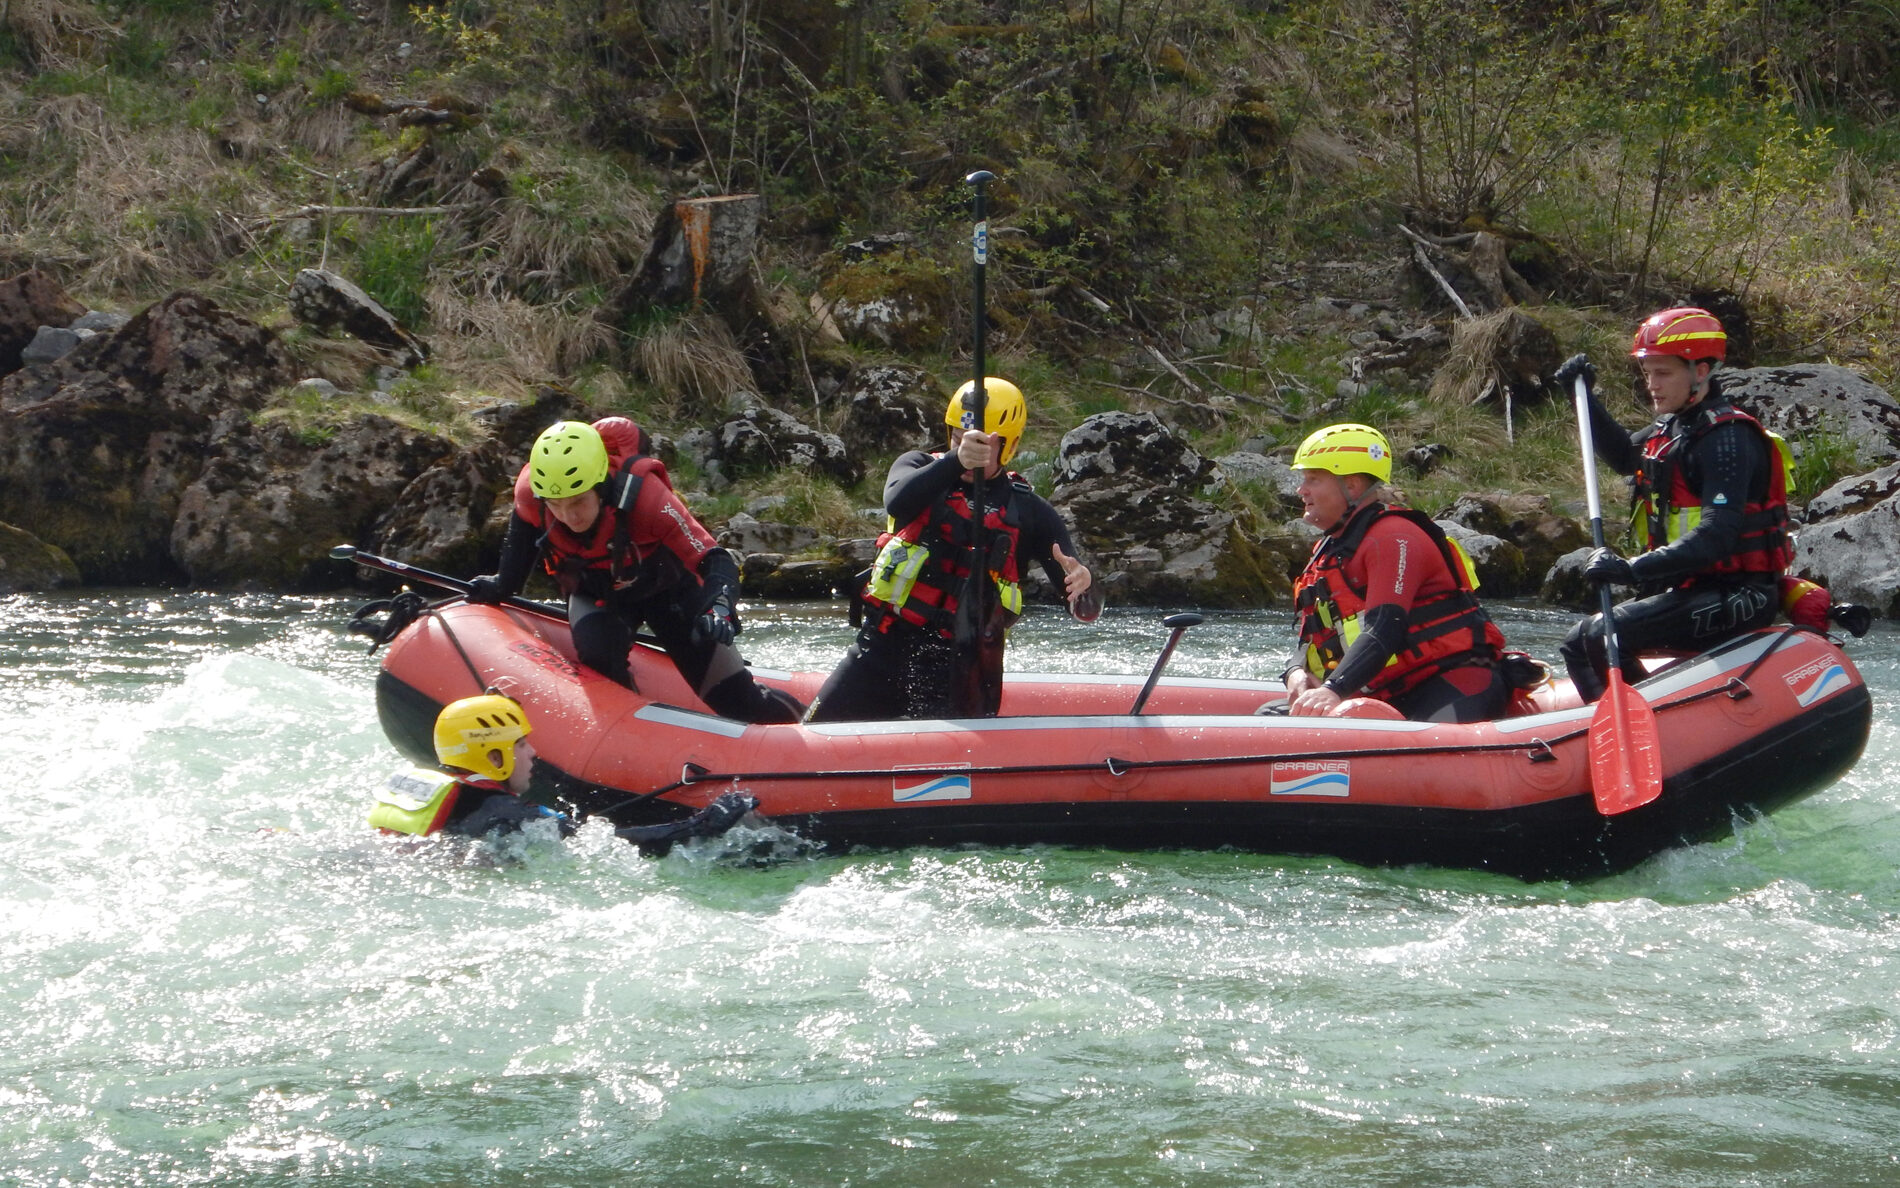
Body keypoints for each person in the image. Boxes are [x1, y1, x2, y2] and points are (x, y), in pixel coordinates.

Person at [803, 377, 1102, 722]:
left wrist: (1085, 585)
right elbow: (898, 504)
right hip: (883, 646)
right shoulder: (916, 466)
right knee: (815, 729)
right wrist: (955, 460)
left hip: (959, 671)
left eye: (982, 443)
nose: (969, 448)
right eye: (960, 438)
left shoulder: (1032, 513)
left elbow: (1086, 611)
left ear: (1009, 446)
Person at [466, 418, 802, 724]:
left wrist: (720, 606)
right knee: (599, 658)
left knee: (738, 703)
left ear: (602, 486)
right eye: (557, 505)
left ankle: (808, 726)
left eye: (579, 501)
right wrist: (500, 585)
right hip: (596, 594)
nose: (569, 516)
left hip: (669, 591)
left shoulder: (647, 499)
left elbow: (715, 558)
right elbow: (518, 548)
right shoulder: (531, 496)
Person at [1554, 306, 1791, 702]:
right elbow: (1623, 457)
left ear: (1700, 371)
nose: (1652, 384)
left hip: (1741, 594)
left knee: (1593, 637)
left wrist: (1629, 569)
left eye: (1663, 373)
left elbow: (1717, 535)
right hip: (1691, 586)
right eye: (1648, 373)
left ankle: (1646, 722)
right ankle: (1648, 709)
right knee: (1580, 641)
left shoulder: (1727, 438)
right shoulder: (1675, 427)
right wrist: (1583, 396)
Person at [1282, 423, 1510, 722]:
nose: (1301, 490)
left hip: (1449, 684)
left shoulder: (1392, 537)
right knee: (1265, 715)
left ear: (1351, 486)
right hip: (1387, 692)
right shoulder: (1327, 551)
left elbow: (1385, 627)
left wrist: (1333, 689)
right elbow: (1310, 636)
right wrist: (1295, 671)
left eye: (1313, 479)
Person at [369, 692, 757, 851]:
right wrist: (698, 828)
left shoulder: (427, 787)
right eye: (520, 744)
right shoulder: (507, 815)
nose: (533, 753)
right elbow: (608, 846)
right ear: (493, 758)